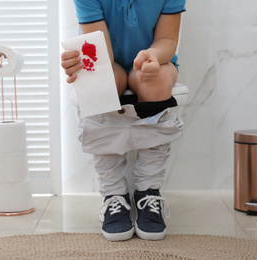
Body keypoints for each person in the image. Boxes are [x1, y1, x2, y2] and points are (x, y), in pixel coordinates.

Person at [61, 0, 186, 241]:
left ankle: (147, 192)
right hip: (107, 62)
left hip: (155, 61)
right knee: (97, 85)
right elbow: (101, 53)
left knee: (157, 81)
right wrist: (81, 66)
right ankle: (113, 194)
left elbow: (167, 41)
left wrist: (152, 56)